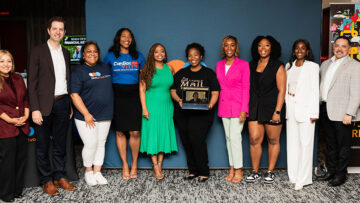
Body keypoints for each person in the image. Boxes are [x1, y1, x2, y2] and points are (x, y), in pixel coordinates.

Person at [28, 16, 76, 195]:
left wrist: (70, 104)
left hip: (63, 103)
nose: (58, 32)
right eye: (54, 28)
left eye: (61, 29)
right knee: (41, 146)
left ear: (64, 33)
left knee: (60, 144)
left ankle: (59, 176)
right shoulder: (37, 51)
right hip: (43, 106)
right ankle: (46, 180)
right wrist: (35, 109)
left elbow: (66, 80)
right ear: (48, 30)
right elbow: (31, 83)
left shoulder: (65, 53)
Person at [171, 43, 220, 182]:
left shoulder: (208, 73)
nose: (193, 57)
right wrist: (179, 100)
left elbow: (216, 91)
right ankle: (193, 171)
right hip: (183, 114)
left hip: (202, 115)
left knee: (196, 140)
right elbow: (173, 90)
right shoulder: (181, 73)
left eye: (196, 54)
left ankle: (203, 171)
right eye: (190, 55)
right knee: (186, 142)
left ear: (201, 56)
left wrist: (211, 104)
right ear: (187, 57)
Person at [317, 36, 360, 187]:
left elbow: (357, 92)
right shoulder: (325, 64)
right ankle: (331, 171)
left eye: (343, 46)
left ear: (348, 49)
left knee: (343, 146)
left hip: (343, 113)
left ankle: (341, 175)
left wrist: (350, 112)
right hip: (325, 109)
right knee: (330, 144)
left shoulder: (354, 65)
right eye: (337, 46)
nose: (339, 49)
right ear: (333, 47)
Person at [104, 28, 145, 179]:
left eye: (129, 36)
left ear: (132, 39)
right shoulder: (110, 57)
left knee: (135, 131)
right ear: (118, 39)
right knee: (120, 131)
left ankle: (134, 163)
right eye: (123, 36)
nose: (126, 39)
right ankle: (125, 165)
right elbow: (105, 78)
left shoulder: (139, 57)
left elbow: (143, 81)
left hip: (134, 95)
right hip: (117, 95)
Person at [70, 41, 113, 186]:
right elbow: (74, 95)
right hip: (86, 116)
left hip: (105, 113)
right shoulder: (78, 71)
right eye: (89, 51)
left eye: (95, 51)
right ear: (83, 54)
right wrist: (86, 114)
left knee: (101, 143)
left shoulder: (105, 67)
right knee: (91, 143)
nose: (92, 54)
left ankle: (97, 171)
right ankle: (88, 171)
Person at [245, 35, 286, 184]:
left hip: (272, 107)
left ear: (272, 48)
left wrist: (278, 111)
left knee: (273, 140)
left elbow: (282, 90)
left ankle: (270, 171)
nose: (263, 48)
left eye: (267, 45)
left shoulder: (278, 66)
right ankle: (255, 172)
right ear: (256, 48)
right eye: (260, 45)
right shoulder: (251, 64)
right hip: (255, 106)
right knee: (254, 139)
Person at [139, 43, 178, 179]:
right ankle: (155, 165)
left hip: (167, 106)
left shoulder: (170, 68)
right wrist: (144, 108)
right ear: (152, 54)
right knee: (153, 135)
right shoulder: (146, 70)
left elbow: (172, 88)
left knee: (162, 134)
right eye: (156, 52)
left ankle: (160, 163)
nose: (159, 54)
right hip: (151, 107)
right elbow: (142, 91)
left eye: (162, 51)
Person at [285, 39, 319, 190]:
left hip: (306, 110)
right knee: (292, 143)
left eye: (303, 48)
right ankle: (293, 175)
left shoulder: (312, 67)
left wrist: (314, 112)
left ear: (307, 51)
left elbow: (314, 91)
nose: (299, 50)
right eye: (297, 48)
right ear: (293, 51)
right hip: (291, 108)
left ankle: (303, 178)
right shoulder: (289, 66)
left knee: (305, 144)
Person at [216, 35, 250, 183]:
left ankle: (239, 169)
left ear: (236, 47)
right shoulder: (219, 64)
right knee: (229, 139)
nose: (229, 48)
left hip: (238, 106)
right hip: (224, 105)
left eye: (232, 45)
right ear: (223, 48)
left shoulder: (243, 64)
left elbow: (246, 88)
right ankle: (231, 167)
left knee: (236, 138)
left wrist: (244, 109)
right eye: (226, 45)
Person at [0, 50, 30, 202]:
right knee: (7, 162)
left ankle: (17, 190)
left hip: (22, 125)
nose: (6, 64)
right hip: (5, 127)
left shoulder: (18, 77)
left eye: (9, 61)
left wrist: (26, 115)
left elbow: (25, 99)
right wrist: (11, 120)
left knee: (20, 159)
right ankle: (6, 193)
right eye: (2, 61)